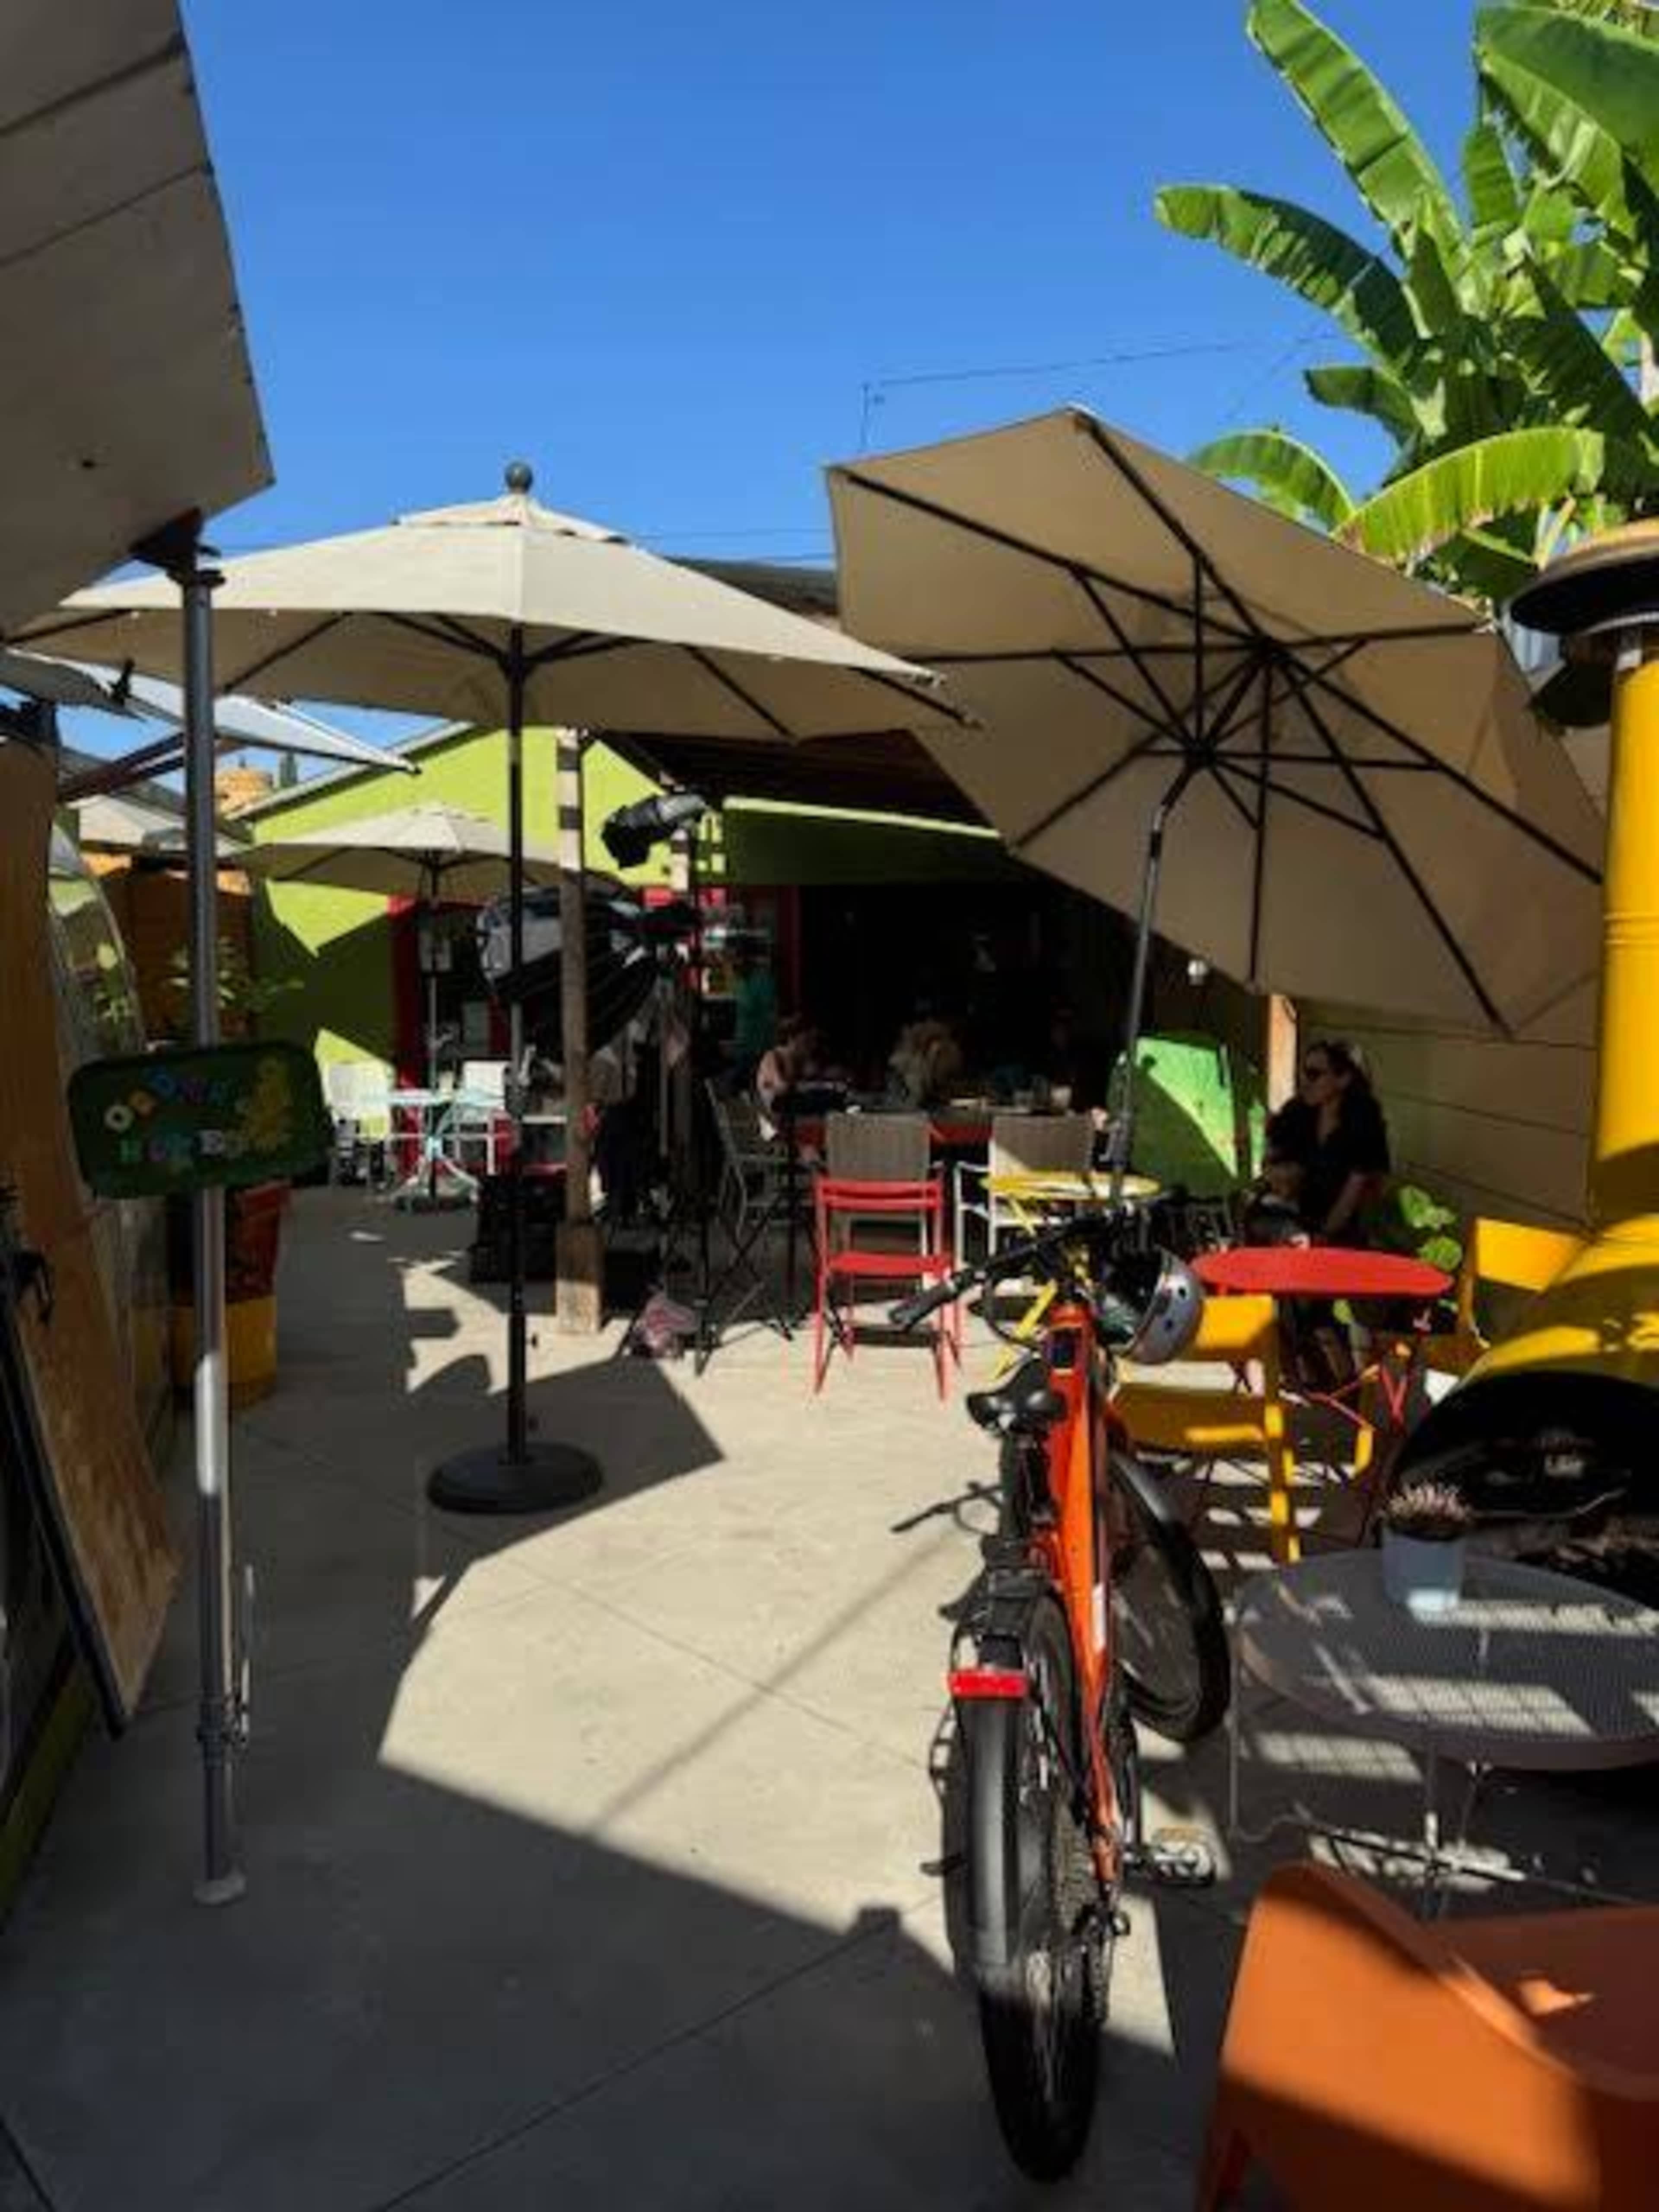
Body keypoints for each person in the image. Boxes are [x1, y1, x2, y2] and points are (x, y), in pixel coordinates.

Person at [1264, 1039, 1392, 1246]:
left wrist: (1323, 1236)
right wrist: (1278, 1175)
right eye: (1303, 1072)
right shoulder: (1297, 1111)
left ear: (1343, 1079)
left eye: (1314, 1075)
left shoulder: (1364, 1123)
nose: (1304, 1081)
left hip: (1342, 1225)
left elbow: (1354, 1191)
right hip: (1292, 1214)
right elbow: (1270, 1156)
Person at [728, 940, 777, 1084]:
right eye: (732, 959)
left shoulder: (763, 979)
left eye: (737, 958)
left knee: (749, 1085)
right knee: (739, 1085)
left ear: (747, 958)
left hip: (760, 1045)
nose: (734, 963)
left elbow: (771, 1013)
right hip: (743, 1043)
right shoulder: (740, 980)